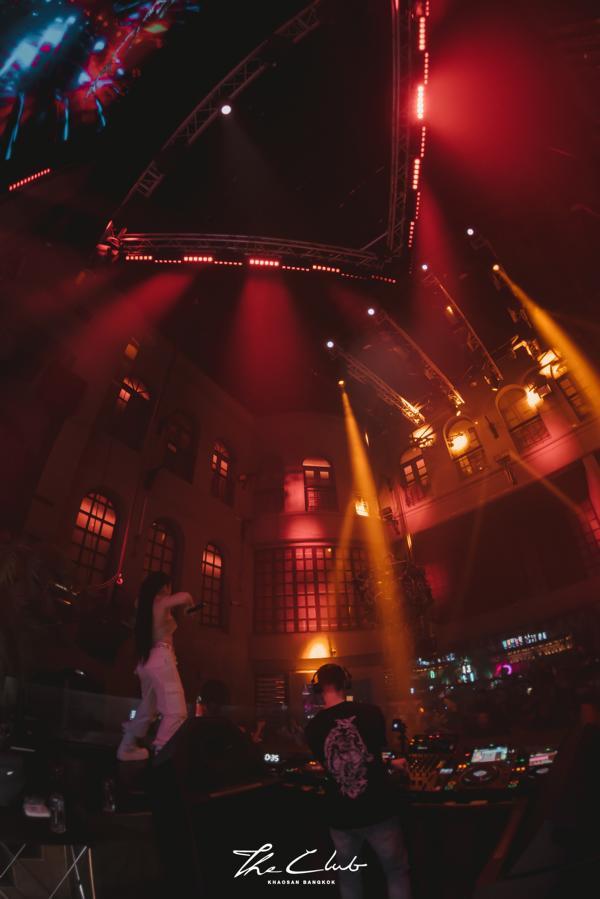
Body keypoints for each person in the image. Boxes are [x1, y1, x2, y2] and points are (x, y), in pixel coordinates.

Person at [304, 664, 412, 899]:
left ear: (318, 688)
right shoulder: (371, 713)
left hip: (341, 815)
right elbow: (370, 757)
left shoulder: (312, 728)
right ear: (346, 683)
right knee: (395, 872)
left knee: (349, 878)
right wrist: (390, 763)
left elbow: (339, 765)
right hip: (378, 809)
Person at [117, 571, 194, 761]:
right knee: (176, 711)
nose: (170, 589)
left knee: (147, 709)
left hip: (147, 662)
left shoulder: (144, 604)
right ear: (164, 586)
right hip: (161, 659)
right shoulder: (161, 602)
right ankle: (162, 754)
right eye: (169, 586)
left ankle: (127, 747)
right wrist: (189, 606)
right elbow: (185, 596)